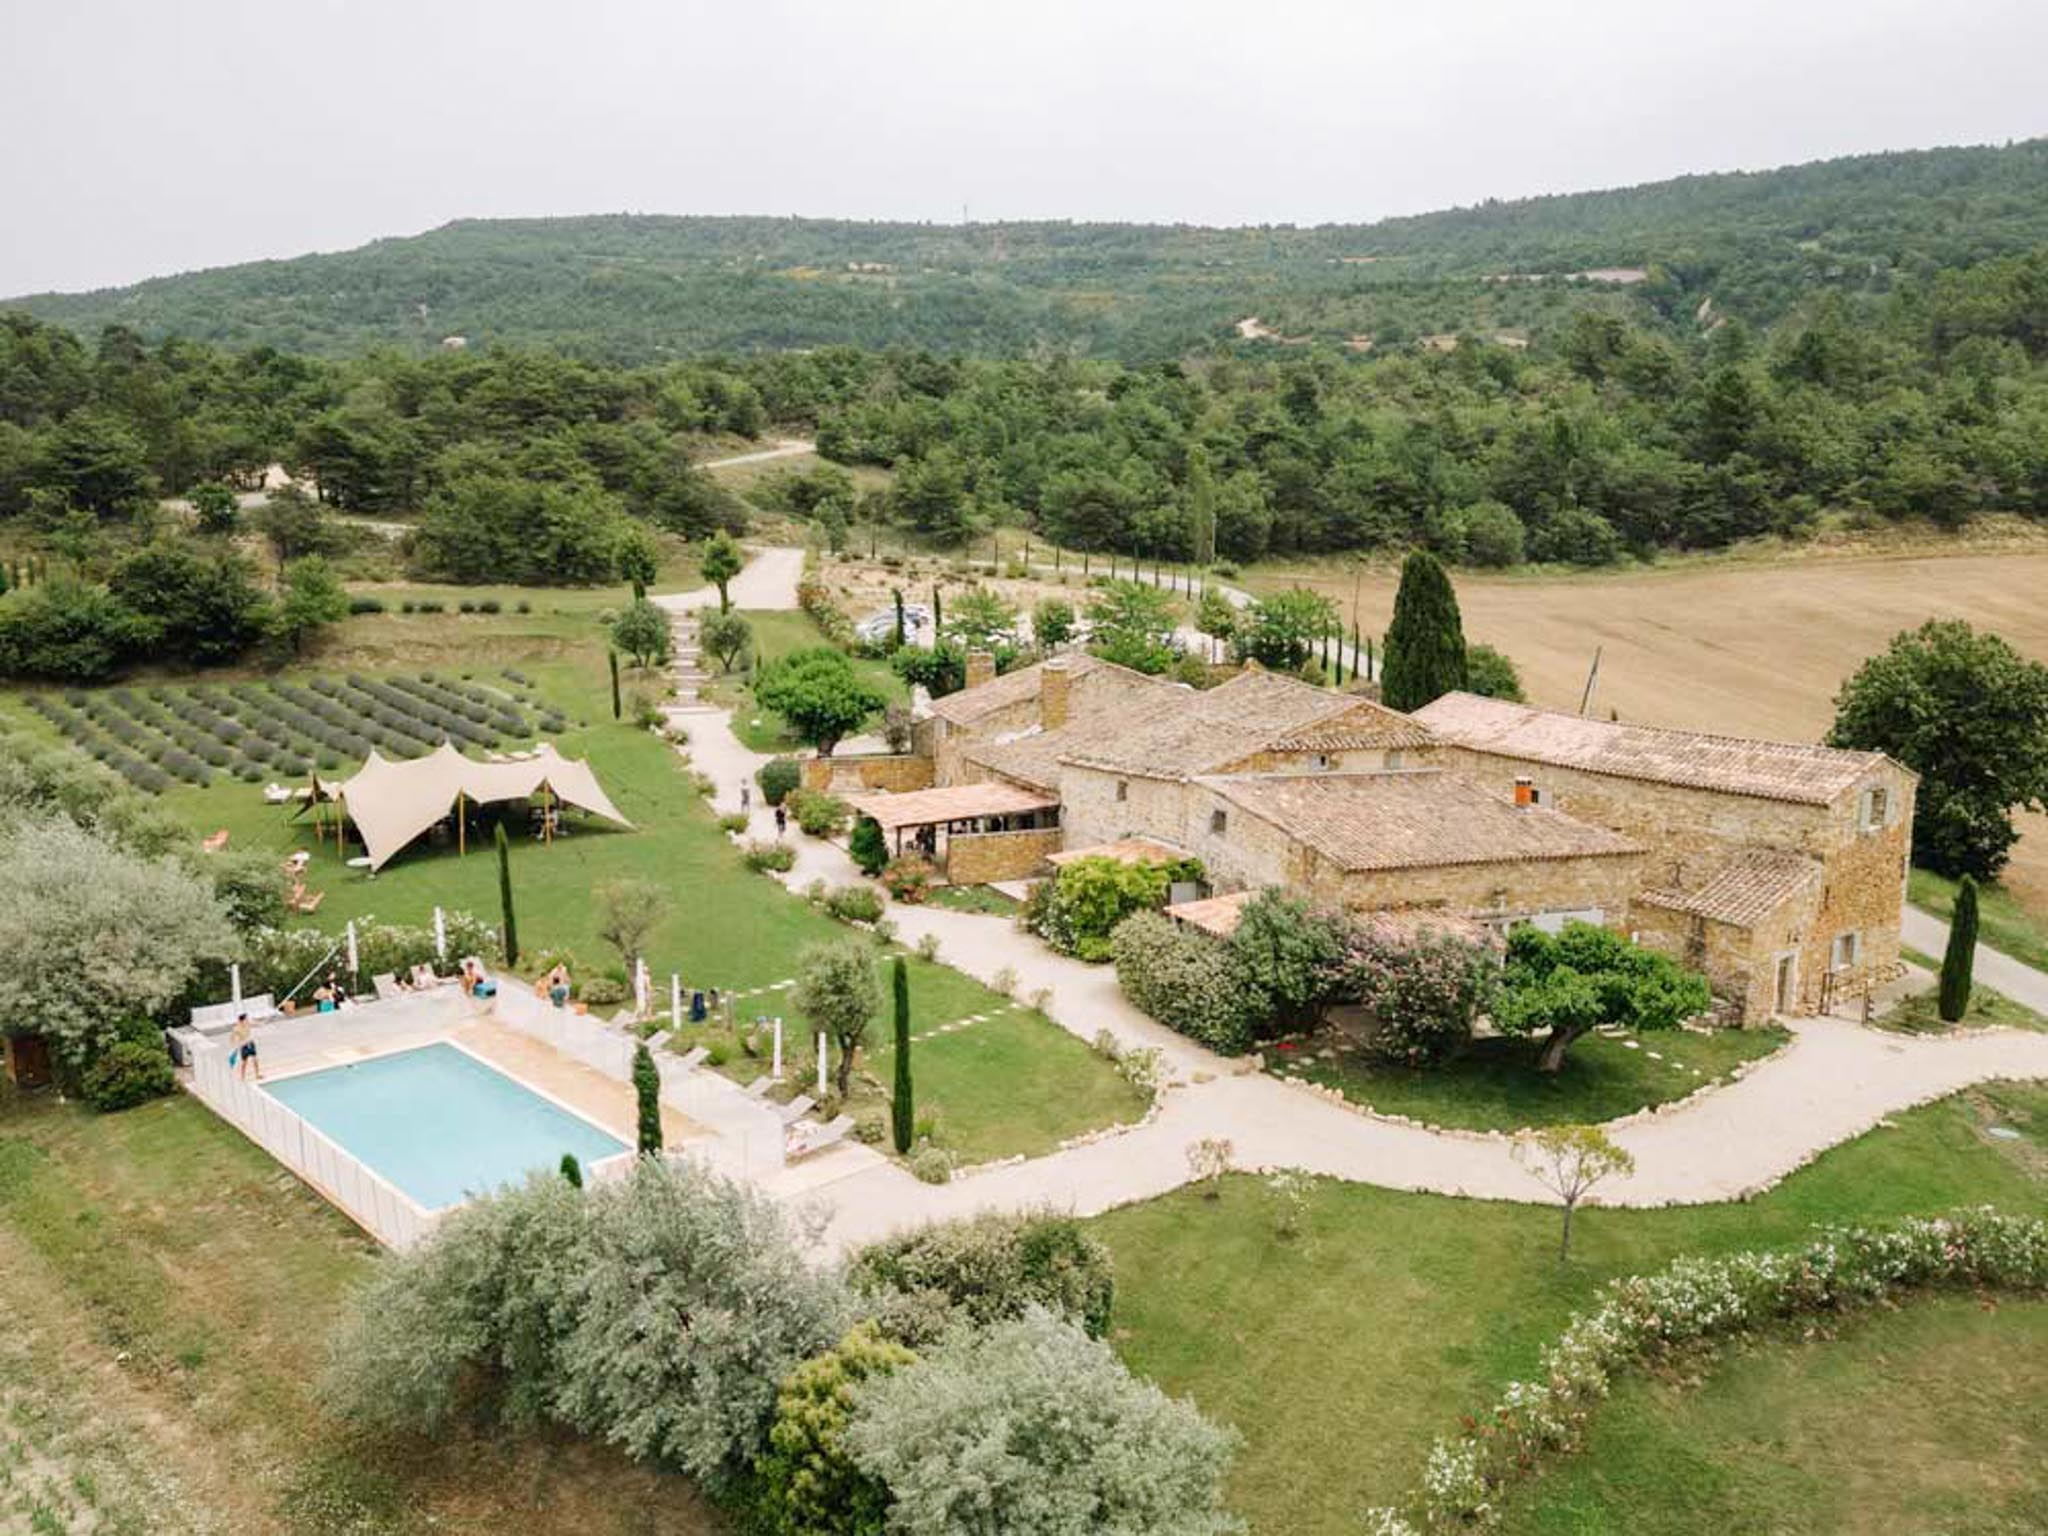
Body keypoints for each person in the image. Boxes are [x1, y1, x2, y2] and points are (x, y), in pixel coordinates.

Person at [230, 1013, 259, 1081]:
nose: (247, 1020)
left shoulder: (248, 1024)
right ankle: (242, 1077)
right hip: (244, 1045)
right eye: (246, 1019)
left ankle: (257, 1075)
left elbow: (255, 1024)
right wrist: (235, 1044)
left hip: (250, 1043)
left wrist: (260, 1024)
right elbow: (232, 1037)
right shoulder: (236, 1028)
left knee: (255, 1060)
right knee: (244, 1062)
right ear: (242, 1020)